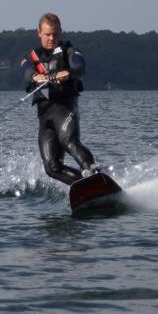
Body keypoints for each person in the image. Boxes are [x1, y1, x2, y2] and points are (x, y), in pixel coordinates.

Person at [20, 13, 100, 185]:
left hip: (65, 108)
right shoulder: (32, 57)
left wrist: (68, 72)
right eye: (48, 34)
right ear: (39, 33)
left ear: (60, 32)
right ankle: (83, 185)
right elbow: (26, 71)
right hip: (45, 116)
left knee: (69, 142)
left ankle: (92, 171)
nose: (51, 38)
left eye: (55, 34)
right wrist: (35, 77)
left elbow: (80, 66)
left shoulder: (69, 51)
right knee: (51, 168)